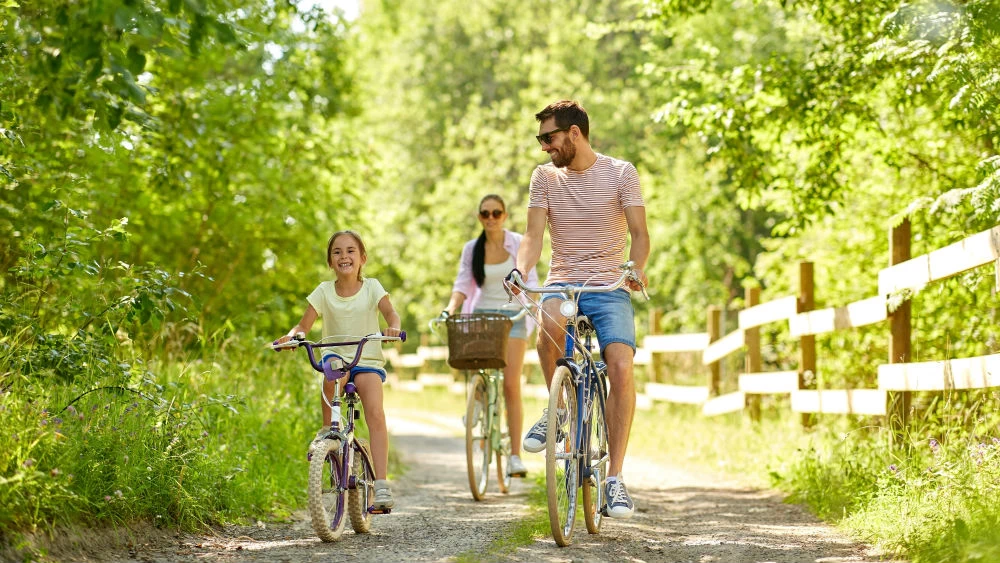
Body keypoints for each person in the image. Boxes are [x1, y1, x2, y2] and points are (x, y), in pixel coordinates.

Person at [512, 100, 650, 518]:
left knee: (621, 364)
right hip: (563, 280)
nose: (543, 148)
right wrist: (521, 272)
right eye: (541, 140)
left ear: (574, 134)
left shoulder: (621, 172)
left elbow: (641, 234)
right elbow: (533, 237)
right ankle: (558, 409)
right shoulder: (545, 178)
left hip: (610, 285)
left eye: (548, 138)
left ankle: (615, 480)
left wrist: (635, 269)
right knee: (547, 326)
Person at [275, 230, 402, 511]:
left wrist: (393, 326)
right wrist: (293, 336)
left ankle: (381, 483)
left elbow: (391, 313)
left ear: (362, 258)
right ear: (330, 262)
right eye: (337, 252)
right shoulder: (323, 291)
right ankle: (327, 433)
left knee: (375, 411)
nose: (344, 256)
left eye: (350, 251)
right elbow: (303, 326)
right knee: (330, 374)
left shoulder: (372, 287)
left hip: (366, 357)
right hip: (336, 355)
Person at [444, 194, 539, 479]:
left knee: (511, 385)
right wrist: (451, 308)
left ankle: (514, 458)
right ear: (479, 217)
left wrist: (533, 304)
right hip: (482, 315)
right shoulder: (472, 249)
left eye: (496, 213)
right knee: (478, 370)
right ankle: (477, 404)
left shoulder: (518, 243)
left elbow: (531, 282)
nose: (491, 218)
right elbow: (462, 283)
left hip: (513, 318)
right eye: (485, 213)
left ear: (505, 216)